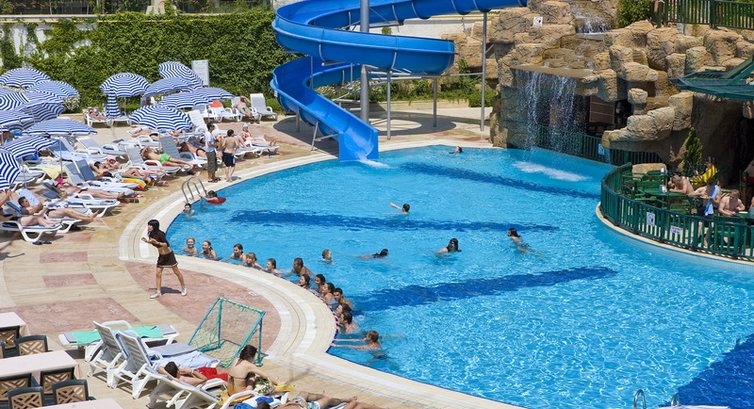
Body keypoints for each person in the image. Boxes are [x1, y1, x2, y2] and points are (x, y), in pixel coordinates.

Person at [141, 219, 187, 299]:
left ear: (154, 226)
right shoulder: (151, 234)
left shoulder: (160, 234)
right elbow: (154, 243)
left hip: (169, 255)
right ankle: (158, 292)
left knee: (176, 272)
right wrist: (147, 241)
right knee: (158, 273)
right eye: (148, 225)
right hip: (161, 256)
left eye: (150, 225)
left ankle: (183, 287)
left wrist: (157, 242)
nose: (148, 227)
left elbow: (166, 244)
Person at [17, 195, 99, 224]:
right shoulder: (24, 210)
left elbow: (39, 207)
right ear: (22, 204)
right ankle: (87, 218)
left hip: (49, 210)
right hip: (46, 215)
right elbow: (33, 212)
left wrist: (43, 204)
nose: (28, 202)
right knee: (67, 212)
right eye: (26, 201)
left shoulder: (32, 206)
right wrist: (39, 207)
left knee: (69, 209)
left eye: (27, 200)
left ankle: (88, 216)